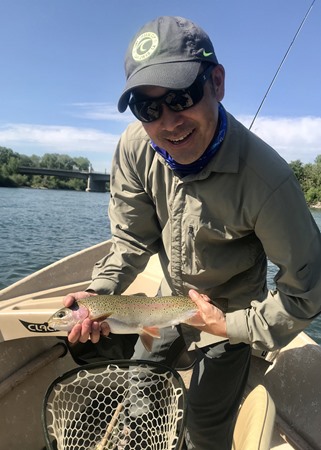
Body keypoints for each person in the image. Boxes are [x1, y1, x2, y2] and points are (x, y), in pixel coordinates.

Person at [64, 16, 321, 449]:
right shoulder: (134, 147)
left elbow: (308, 290)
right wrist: (98, 296)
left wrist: (230, 325)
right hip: (166, 299)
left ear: (216, 83)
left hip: (231, 309)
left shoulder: (267, 182)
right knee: (139, 390)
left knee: (204, 426)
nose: (168, 122)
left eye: (182, 96)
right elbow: (129, 240)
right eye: (149, 108)